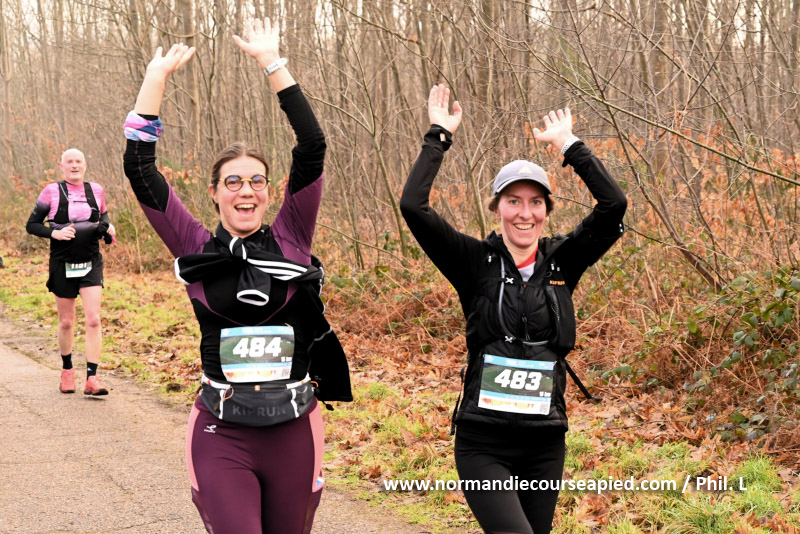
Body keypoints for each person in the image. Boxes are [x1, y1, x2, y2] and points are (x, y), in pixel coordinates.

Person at [122, 18, 351, 533]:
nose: (246, 191)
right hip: (221, 431)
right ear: (214, 192)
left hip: (295, 429)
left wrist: (273, 65)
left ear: (269, 192)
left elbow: (312, 144)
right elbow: (140, 167)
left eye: (256, 181)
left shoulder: (292, 236)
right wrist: (155, 80)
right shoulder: (193, 246)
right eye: (233, 182)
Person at [400, 85, 627, 534]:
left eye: (535, 202)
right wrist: (438, 136)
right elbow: (413, 205)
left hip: (544, 444)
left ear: (546, 210)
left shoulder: (563, 261)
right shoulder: (472, 262)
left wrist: (569, 145)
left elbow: (613, 205)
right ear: (498, 208)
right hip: (483, 442)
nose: (525, 214)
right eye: (514, 201)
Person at [26, 148, 115, 396]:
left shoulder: (96, 190)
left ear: (85, 165)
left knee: (93, 319)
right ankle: (67, 371)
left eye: (78, 162)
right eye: (69, 162)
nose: (74, 166)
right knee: (66, 321)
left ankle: (92, 378)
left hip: (90, 261)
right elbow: (32, 225)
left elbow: (104, 217)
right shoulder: (51, 191)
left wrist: (108, 228)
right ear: (62, 166)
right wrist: (54, 233)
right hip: (62, 262)